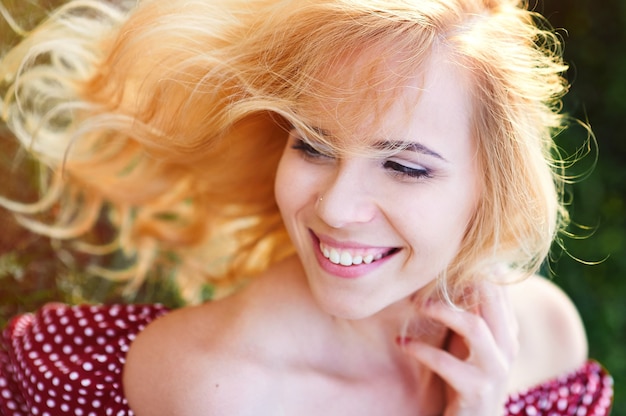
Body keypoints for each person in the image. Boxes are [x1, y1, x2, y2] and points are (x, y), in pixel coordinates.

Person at [0, 0, 614, 415]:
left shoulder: (545, 337)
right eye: (313, 145)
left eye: (403, 165)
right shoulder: (221, 389)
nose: (337, 208)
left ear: (495, 183)